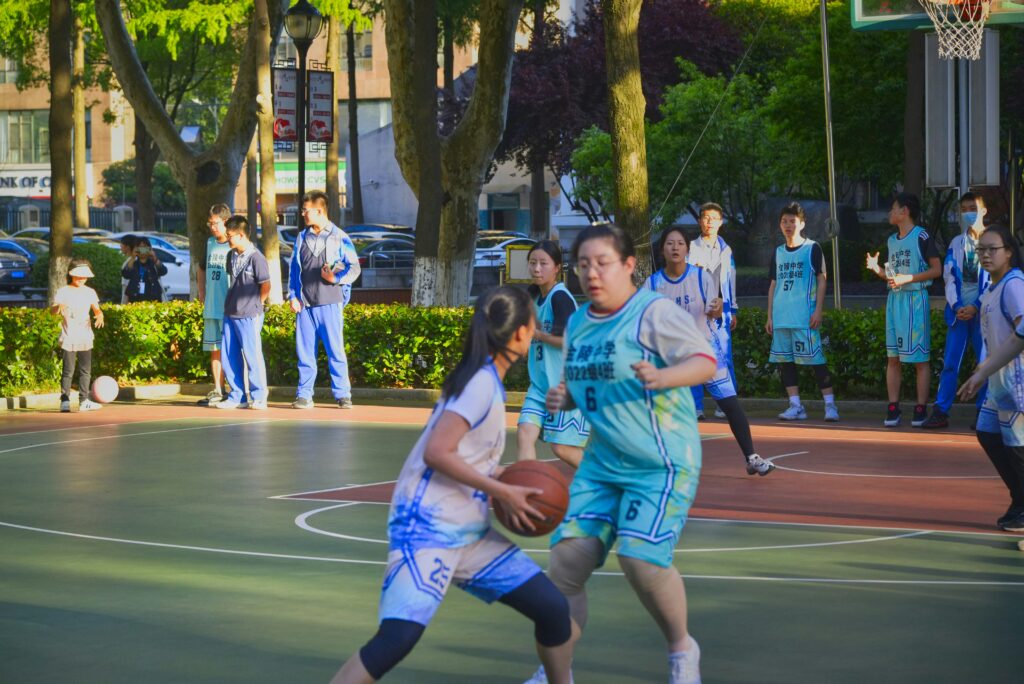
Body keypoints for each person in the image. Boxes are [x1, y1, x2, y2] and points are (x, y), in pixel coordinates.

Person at [330, 286, 573, 684]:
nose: (536, 331)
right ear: (519, 335)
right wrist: (503, 491)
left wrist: (502, 480)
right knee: (397, 638)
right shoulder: (480, 382)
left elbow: (466, 455)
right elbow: (438, 452)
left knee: (551, 609)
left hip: (467, 531)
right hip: (426, 528)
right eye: (533, 324)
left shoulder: (485, 380)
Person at [528, 224, 717, 684]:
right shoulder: (577, 323)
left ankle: (681, 648)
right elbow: (586, 378)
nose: (592, 274)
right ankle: (556, 674)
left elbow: (704, 360)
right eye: (584, 265)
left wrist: (662, 377)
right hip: (601, 464)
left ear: (629, 266)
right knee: (564, 567)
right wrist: (567, 397)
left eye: (603, 263)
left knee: (640, 558)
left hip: (659, 462)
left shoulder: (652, 312)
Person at [648, 226, 775, 475]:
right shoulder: (653, 284)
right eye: (670, 243)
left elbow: (715, 309)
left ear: (687, 249)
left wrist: (717, 307)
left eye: (680, 243)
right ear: (662, 249)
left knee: (730, 406)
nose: (675, 248)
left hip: (706, 352)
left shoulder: (700, 277)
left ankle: (752, 457)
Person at [953, 225, 1024, 532]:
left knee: (1017, 444)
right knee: (988, 433)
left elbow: (1021, 333)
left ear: (1008, 252)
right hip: (999, 380)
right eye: (981, 249)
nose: (984, 254)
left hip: (1017, 380)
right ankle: (1019, 500)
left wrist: (983, 371)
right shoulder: (992, 290)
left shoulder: (1014, 285)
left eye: (992, 249)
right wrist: (983, 372)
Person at [865, 192, 942, 427]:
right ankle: (893, 406)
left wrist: (908, 278)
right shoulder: (891, 241)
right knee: (893, 358)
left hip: (915, 301)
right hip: (895, 301)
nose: (890, 212)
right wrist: (877, 269)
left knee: (920, 359)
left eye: (893, 208)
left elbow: (936, 270)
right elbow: (892, 277)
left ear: (905, 211)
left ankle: (920, 408)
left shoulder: (922, 236)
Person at [765, 202, 840, 423]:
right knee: (785, 362)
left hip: (804, 317)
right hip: (781, 317)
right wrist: (769, 316)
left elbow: (822, 279)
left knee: (816, 361)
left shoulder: (812, 248)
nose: (788, 225)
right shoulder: (778, 252)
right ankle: (796, 406)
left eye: (792, 221)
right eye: (784, 221)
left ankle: (830, 405)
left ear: (802, 224)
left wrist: (818, 310)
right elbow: (773, 284)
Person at [517, 240, 588, 468]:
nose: (537, 268)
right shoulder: (532, 295)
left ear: (557, 267)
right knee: (525, 433)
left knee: (563, 448)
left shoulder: (560, 298)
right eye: (533, 263)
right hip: (540, 386)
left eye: (543, 263)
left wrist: (537, 335)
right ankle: (526, 492)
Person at [288, 190, 360, 409]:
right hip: (305, 305)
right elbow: (293, 269)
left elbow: (354, 267)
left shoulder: (340, 236)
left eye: (305, 210)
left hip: (330, 302)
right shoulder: (301, 237)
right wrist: (293, 295)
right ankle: (304, 395)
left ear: (319, 211)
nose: (302, 214)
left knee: (335, 351)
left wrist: (335, 277)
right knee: (305, 353)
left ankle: (342, 394)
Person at [923, 192, 989, 429]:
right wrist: (958, 306)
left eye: (973, 207)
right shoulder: (955, 244)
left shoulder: (993, 242)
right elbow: (949, 277)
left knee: (985, 365)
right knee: (951, 363)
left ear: (983, 210)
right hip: (959, 315)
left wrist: (976, 305)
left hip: (984, 316)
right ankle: (941, 411)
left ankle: (984, 414)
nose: (968, 212)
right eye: (964, 209)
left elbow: (995, 280)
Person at [687, 202, 737, 420]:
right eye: (706, 218)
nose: (709, 222)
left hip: (722, 310)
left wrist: (733, 308)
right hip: (696, 310)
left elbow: (731, 280)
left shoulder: (727, 250)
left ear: (721, 222)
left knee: (724, 357)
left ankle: (725, 404)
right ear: (699, 221)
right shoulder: (690, 247)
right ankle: (696, 407)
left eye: (714, 218)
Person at [216, 216, 271, 411]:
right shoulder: (231, 256)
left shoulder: (257, 258)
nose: (227, 239)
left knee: (252, 356)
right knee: (229, 356)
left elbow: (265, 285)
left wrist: (257, 305)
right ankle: (237, 396)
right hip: (230, 312)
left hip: (249, 315)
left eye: (230, 236)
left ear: (241, 235)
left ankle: (259, 396)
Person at [52, 260, 105, 413]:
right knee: (68, 370)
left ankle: (84, 400)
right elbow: (53, 311)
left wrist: (100, 316)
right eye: (78, 277)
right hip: (69, 336)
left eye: (84, 277)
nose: (82, 279)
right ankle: (65, 401)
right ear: (71, 275)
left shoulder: (90, 292)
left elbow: (97, 310)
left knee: (85, 370)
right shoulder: (63, 291)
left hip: (85, 336)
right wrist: (57, 307)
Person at [196, 204, 233, 406]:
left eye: (215, 223)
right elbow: (201, 268)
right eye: (209, 223)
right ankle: (219, 390)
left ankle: (239, 391)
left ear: (226, 222)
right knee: (215, 349)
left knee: (234, 350)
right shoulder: (210, 243)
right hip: (212, 306)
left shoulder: (235, 243)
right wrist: (202, 291)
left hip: (231, 308)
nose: (212, 227)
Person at [122, 236, 167, 303]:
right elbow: (126, 274)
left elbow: (163, 271)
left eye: (144, 247)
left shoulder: (153, 262)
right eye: (139, 247)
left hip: (153, 297)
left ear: (149, 248)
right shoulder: (133, 262)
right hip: (134, 298)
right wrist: (133, 257)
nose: (142, 250)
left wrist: (154, 257)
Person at [118, 234, 139, 304]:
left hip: (131, 299)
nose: (120, 246)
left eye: (122, 244)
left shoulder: (134, 261)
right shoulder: (130, 260)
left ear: (127, 247)